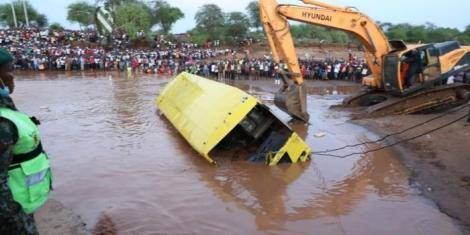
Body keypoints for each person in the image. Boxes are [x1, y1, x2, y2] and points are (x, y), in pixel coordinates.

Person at [0, 48, 53, 234]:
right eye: (9, 70)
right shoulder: (2, 122)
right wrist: (15, 217)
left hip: (19, 206)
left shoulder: (7, 111)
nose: (13, 75)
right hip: (11, 217)